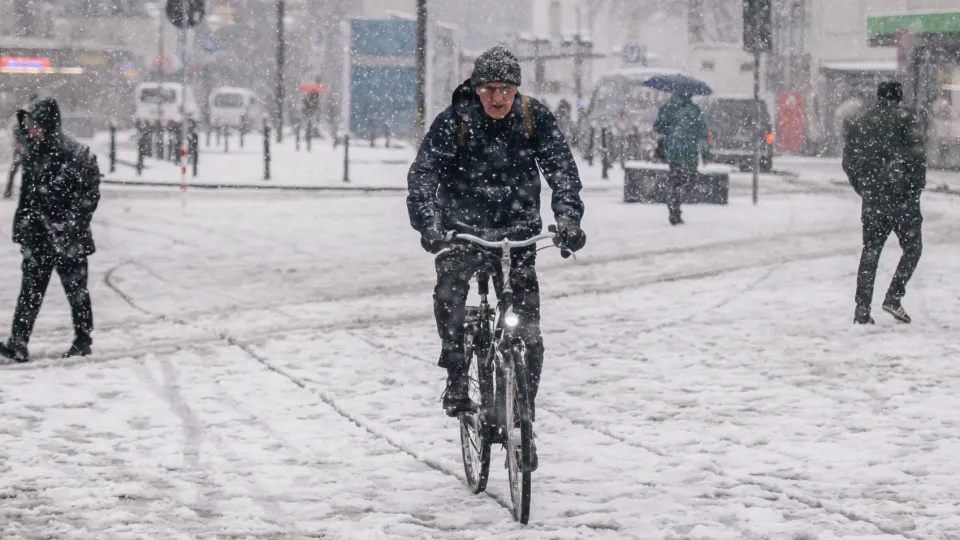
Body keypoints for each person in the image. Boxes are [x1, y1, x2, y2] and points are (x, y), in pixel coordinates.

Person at [407, 46, 586, 466]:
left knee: (529, 335)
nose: (498, 98)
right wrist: (430, 224)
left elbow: (562, 171)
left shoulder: (533, 118)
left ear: (517, 89)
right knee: (450, 290)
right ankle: (455, 374)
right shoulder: (456, 122)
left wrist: (568, 220)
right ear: (476, 88)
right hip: (463, 230)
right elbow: (424, 174)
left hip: (518, 233)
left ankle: (524, 418)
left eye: (505, 89)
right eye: (489, 89)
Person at [0, 97, 101, 363]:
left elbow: (89, 197)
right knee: (30, 293)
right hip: (38, 237)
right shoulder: (33, 153)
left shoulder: (74, 154)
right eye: (29, 125)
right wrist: (22, 231)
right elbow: (28, 199)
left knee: (77, 292)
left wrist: (70, 229)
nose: (31, 130)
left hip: (69, 239)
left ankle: (83, 340)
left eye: (35, 124)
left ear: (48, 124)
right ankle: (18, 343)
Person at [842, 81, 926, 325]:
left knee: (871, 250)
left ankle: (862, 309)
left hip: (874, 199)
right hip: (903, 200)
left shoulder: (861, 121)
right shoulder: (906, 119)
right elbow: (917, 158)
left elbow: (849, 160)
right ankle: (894, 295)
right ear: (898, 98)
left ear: (878, 97)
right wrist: (914, 188)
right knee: (913, 248)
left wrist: (865, 188)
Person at [653, 91, 709, 225]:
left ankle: (674, 206)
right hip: (690, 153)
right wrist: (705, 154)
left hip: (672, 151)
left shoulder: (666, 108)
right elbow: (702, 133)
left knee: (675, 179)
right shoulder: (694, 110)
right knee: (690, 180)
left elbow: (658, 128)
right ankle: (676, 204)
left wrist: (668, 126)